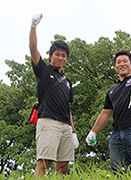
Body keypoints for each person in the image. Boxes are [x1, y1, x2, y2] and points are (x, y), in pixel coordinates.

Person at [86, 50, 131, 178]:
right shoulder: (112, 90)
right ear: (115, 66)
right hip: (116, 135)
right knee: (118, 172)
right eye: (118, 62)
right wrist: (93, 131)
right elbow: (106, 113)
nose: (121, 64)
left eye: (125, 61)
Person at [29, 14, 79, 178]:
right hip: (48, 122)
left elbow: (68, 108)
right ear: (51, 56)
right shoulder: (43, 71)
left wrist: (73, 131)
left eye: (64, 55)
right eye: (57, 54)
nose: (60, 57)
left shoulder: (67, 81)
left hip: (65, 126)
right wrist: (33, 27)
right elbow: (32, 49)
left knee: (63, 167)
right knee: (44, 163)